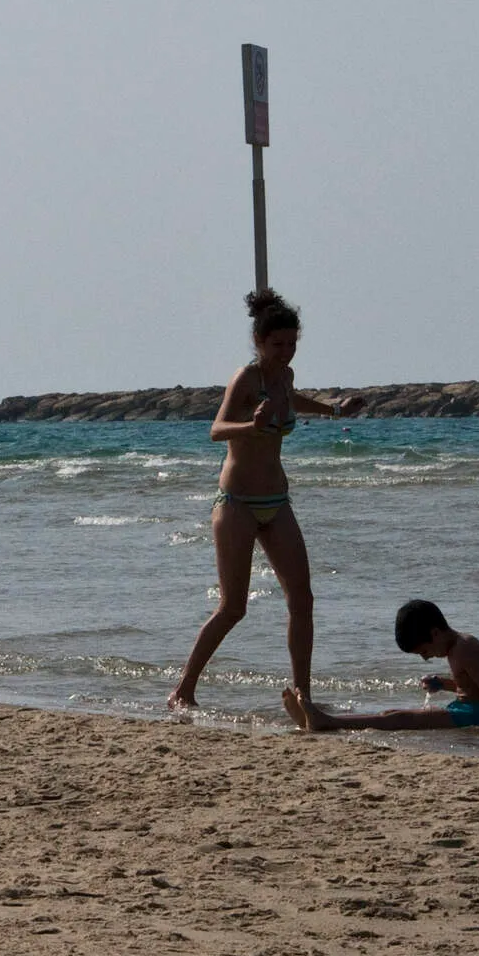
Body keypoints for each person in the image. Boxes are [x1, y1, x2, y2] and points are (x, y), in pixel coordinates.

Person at [167, 288, 362, 710]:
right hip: (236, 503)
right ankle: (183, 689)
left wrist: (336, 410)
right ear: (258, 342)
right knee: (233, 607)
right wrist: (249, 426)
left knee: (302, 598)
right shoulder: (247, 379)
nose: (286, 352)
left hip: (277, 500)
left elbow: (292, 399)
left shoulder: (284, 378)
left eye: (292, 344)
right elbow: (216, 430)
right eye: (278, 345)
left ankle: (303, 693)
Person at [284, 599, 479, 732]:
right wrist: (441, 684)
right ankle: (324, 719)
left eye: (424, 652)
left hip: (471, 715)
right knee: (391, 713)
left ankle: (325, 721)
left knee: (399, 719)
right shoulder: (455, 648)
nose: (425, 658)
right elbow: (469, 687)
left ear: (435, 633)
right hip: (463, 710)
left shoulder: (464, 648)